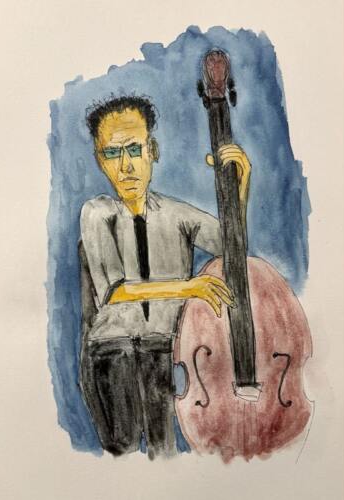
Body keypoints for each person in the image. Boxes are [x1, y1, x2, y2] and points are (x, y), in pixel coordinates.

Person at [79, 95, 251, 459]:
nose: (125, 166)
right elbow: (115, 291)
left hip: (165, 350)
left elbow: (231, 245)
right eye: (112, 153)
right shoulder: (96, 213)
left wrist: (240, 187)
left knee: (165, 453)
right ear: (99, 160)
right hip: (112, 352)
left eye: (134, 149)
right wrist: (189, 288)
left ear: (152, 151)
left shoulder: (176, 214)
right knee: (121, 455)